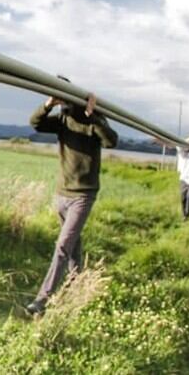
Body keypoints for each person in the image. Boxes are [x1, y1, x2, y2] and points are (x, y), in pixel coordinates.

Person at [25, 87, 118, 315]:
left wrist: (92, 116)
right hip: (62, 193)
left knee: (63, 246)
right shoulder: (62, 120)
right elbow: (35, 123)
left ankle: (42, 300)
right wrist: (48, 104)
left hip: (83, 194)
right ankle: (76, 286)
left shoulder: (93, 118)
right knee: (73, 244)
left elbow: (110, 141)